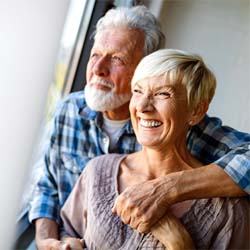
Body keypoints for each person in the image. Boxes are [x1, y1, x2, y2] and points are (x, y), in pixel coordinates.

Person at [28, 5, 250, 250]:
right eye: (95, 55)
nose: (98, 69)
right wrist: (47, 240)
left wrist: (167, 190)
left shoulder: (191, 129)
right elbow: (47, 186)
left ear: (148, 66)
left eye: (117, 59)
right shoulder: (69, 111)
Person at [60, 49, 249, 250]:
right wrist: (69, 244)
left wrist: (180, 243)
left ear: (196, 110)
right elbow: (67, 233)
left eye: (162, 94)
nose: (142, 106)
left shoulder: (230, 213)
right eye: (138, 91)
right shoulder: (97, 170)